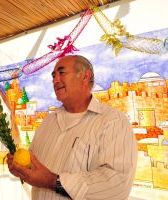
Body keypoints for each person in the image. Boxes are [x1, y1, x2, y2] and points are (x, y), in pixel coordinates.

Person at [7, 55, 138, 200]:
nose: (55, 80)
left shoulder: (113, 121)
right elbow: (35, 168)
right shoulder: (48, 122)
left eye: (61, 73)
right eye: (53, 75)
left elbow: (116, 185)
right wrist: (21, 168)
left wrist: (52, 181)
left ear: (85, 76)